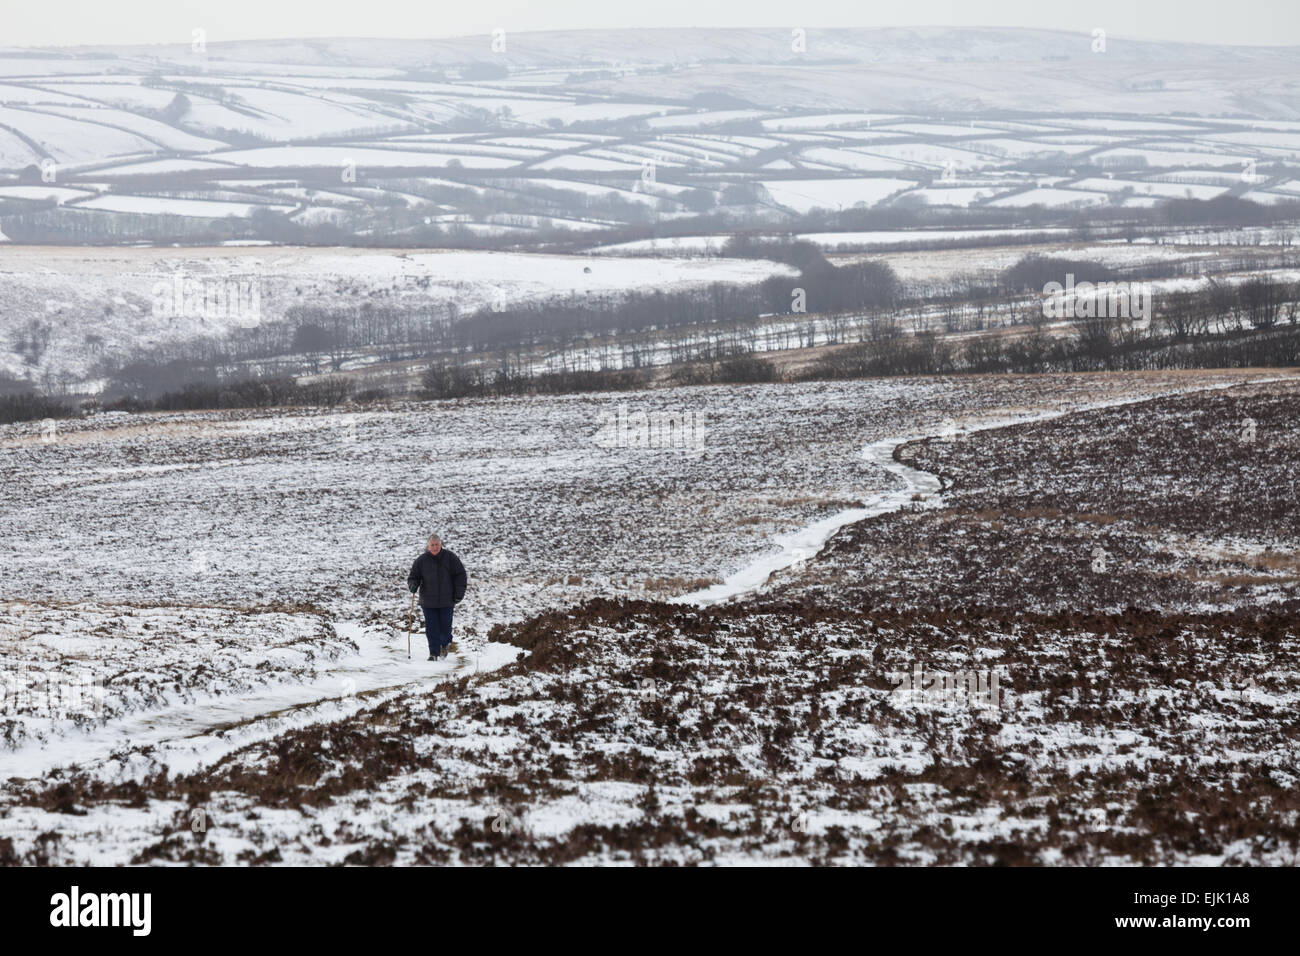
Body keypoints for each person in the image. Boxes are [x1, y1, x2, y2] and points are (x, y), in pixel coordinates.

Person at [407, 534, 467, 661]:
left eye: (437, 545)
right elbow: (413, 576)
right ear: (428, 546)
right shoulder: (421, 560)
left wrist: (459, 594)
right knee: (432, 627)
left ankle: (444, 645)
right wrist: (413, 585)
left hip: (447, 600)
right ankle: (433, 653)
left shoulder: (450, 558)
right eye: (432, 545)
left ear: (441, 545)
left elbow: (460, 575)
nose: (434, 547)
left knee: (445, 627)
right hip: (428, 601)